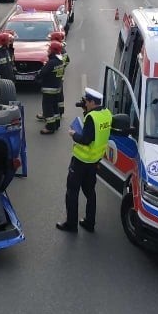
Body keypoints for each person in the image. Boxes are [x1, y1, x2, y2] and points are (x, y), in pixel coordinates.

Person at [57, 87, 112, 233]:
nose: (85, 104)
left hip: (81, 160)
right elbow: (96, 134)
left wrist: (73, 134)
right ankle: (89, 222)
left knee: (72, 192)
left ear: (92, 102)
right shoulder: (106, 114)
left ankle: (71, 224)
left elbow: (86, 139)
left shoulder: (91, 118)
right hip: (94, 161)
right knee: (90, 191)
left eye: (86, 102)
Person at [37, 40, 65, 135]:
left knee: (47, 108)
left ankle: (50, 127)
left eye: (49, 48)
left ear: (53, 50)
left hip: (49, 90)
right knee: (55, 107)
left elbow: (42, 73)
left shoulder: (51, 62)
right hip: (56, 89)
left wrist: (37, 78)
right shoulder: (60, 61)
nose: (48, 50)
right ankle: (56, 124)